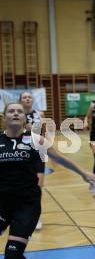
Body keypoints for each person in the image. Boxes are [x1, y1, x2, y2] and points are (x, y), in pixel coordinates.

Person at [0, 102, 95, 259]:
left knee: (12, 256)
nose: (16, 113)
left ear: (25, 118)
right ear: (4, 117)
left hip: (26, 204)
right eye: (11, 111)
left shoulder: (35, 140)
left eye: (20, 111)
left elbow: (59, 158)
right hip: (2, 203)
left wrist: (83, 173)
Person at [20, 91, 45, 230]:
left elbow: (43, 132)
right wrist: (25, 129)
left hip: (38, 152)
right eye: (25, 97)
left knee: (38, 187)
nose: (27, 99)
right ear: (21, 100)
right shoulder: (17, 114)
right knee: (22, 185)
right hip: (22, 152)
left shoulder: (39, 114)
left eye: (29, 97)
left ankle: (36, 217)